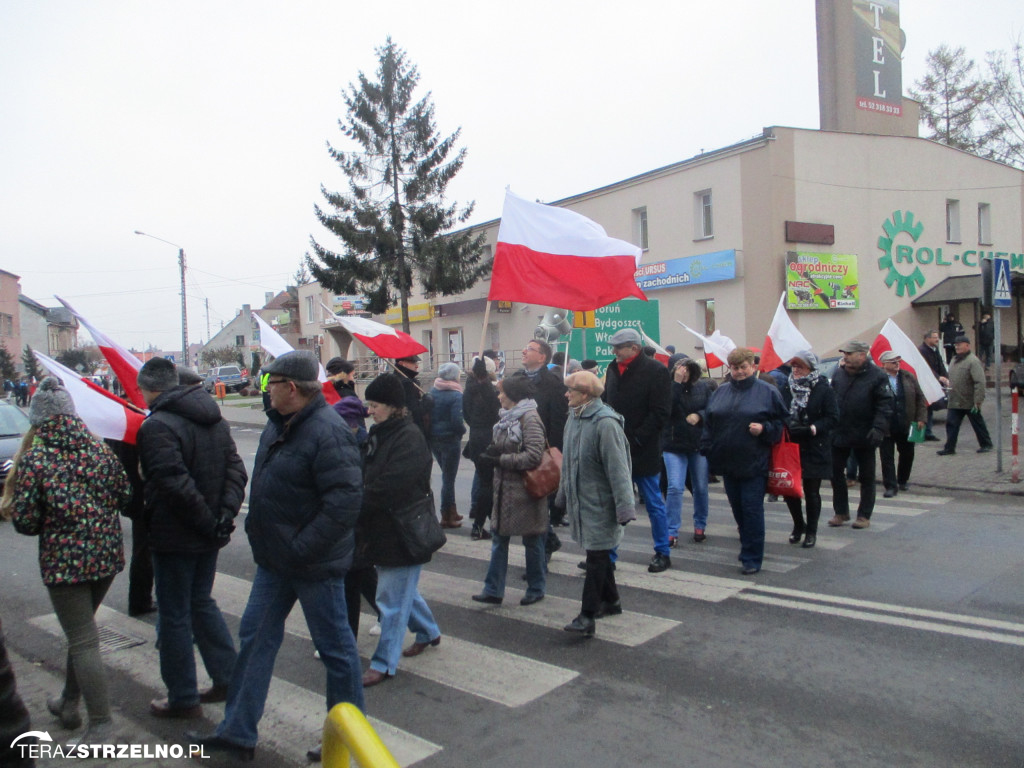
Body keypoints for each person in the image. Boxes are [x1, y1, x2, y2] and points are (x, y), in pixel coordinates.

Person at [191, 351, 364, 762]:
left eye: (270, 384)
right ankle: (237, 733)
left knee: (337, 651)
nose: (264, 390)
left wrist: (302, 548)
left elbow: (345, 502)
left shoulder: (328, 431)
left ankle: (346, 740)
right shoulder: (277, 425)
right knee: (254, 639)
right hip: (276, 560)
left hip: (312, 563)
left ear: (292, 388)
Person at [2, 377, 130, 744]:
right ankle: (69, 703)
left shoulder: (37, 459)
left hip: (65, 564)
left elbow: (24, 522)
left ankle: (103, 724)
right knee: (83, 634)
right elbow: (124, 495)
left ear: (39, 420)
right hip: (106, 557)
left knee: (83, 640)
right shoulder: (98, 450)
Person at [134, 357, 247, 720]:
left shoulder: (157, 427)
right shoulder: (214, 419)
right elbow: (236, 471)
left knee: (175, 615)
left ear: (151, 388)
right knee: (200, 603)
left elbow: (172, 484)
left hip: (177, 535)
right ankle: (228, 676)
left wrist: (209, 521)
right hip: (207, 531)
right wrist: (223, 516)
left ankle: (182, 695)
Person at [358, 373, 442, 687]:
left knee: (391, 601)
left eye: (375, 404)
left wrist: (359, 501)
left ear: (394, 406)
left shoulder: (408, 437)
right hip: (384, 528)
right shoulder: (380, 432)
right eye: (369, 404)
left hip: (403, 530)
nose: (370, 410)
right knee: (402, 590)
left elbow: (393, 484)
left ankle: (383, 663)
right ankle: (429, 632)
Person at [557, 371, 636, 638]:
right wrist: (562, 497)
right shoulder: (574, 419)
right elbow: (568, 463)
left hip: (602, 505)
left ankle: (587, 615)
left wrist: (625, 507)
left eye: (571, 391)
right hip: (583, 501)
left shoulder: (605, 424)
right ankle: (611, 601)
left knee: (596, 557)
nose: (566, 394)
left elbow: (619, 470)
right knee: (598, 554)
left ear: (586, 395)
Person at [701, 348, 786, 575]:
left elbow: (782, 425)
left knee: (751, 510)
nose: (739, 372)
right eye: (735, 368)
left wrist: (765, 429)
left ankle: (752, 557)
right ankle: (747, 545)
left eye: (743, 367)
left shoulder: (767, 392)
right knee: (738, 509)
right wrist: (707, 447)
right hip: (727, 462)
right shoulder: (721, 391)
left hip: (754, 461)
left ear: (753, 367)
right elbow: (709, 422)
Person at [472, 375, 548, 607]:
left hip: (526, 491)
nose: (498, 396)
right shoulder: (506, 418)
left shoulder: (530, 418)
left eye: (502, 392)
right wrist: (492, 452)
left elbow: (534, 456)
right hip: (504, 490)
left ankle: (536, 588)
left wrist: (501, 459)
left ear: (513, 395)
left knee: (532, 541)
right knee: (499, 539)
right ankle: (493, 589)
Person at [602, 327, 673, 573]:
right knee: (613, 503)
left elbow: (661, 412)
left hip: (643, 449)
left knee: (653, 502)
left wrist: (637, 439)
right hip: (616, 448)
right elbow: (607, 403)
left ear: (634, 348)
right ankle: (608, 554)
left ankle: (662, 552)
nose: (615, 352)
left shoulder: (656, 371)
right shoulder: (612, 369)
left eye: (618, 348)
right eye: (613, 347)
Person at [828, 340, 894, 530]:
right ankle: (841, 512)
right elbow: (833, 400)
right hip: (840, 432)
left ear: (862, 355)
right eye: (845, 354)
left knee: (867, 476)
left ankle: (864, 515)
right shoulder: (839, 374)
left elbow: (885, 405)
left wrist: (879, 428)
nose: (845, 357)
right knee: (835, 473)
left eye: (849, 354)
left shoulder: (877, 376)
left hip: (866, 433)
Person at [779, 351, 839, 548]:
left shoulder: (822, 388)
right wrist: (788, 424)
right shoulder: (787, 386)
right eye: (793, 366)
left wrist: (813, 428)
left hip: (815, 445)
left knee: (812, 491)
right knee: (790, 490)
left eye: (800, 367)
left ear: (811, 369)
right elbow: (779, 410)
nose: (795, 370)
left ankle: (811, 531)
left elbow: (832, 417)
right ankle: (798, 525)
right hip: (792, 445)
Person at [512, 338, 568, 542]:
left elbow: (558, 421)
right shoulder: (516, 379)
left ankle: (542, 549)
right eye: (525, 348)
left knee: (539, 500)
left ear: (542, 357)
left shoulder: (553, 384)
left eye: (530, 349)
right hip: (517, 447)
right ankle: (549, 540)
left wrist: (552, 451)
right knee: (527, 502)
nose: (524, 351)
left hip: (540, 451)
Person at [662, 358, 711, 546]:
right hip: (673, 444)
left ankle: (700, 525)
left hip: (697, 443)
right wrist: (675, 383)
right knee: (674, 486)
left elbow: (711, 408)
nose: (684, 373)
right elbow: (666, 408)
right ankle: (671, 530)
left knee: (700, 487)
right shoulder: (668, 386)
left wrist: (699, 416)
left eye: (687, 370)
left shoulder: (702, 387)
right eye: (680, 370)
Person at [877, 350, 927, 497]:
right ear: (884, 364)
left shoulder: (908, 376)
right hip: (886, 425)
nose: (896, 364)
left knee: (907, 454)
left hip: (906, 422)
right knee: (887, 458)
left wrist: (921, 418)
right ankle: (890, 486)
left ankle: (902, 480)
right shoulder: (878, 379)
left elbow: (920, 398)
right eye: (893, 362)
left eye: (898, 361)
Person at [463, 355, 500, 540]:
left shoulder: (468, 390)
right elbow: (496, 410)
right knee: (488, 484)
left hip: (476, 436)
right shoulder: (488, 390)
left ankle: (480, 524)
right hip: (488, 437)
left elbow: (467, 415)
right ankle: (480, 525)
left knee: (485, 482)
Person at [938, 336, 993, 456]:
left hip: (969, 401)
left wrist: (978, 401)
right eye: (956, 345)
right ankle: (949, 448)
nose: (957, 346)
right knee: (951, 424)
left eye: (960, 344)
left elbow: (980, 382)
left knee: (977, 424)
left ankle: (986, 444)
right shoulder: (954, 360)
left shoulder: (973, 361)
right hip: (955, 400)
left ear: (967, 346)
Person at [429, 362, 466, 528]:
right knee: (449, 478)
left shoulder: (433, 391)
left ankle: (452, 510)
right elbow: (457, 421)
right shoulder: (456, 395)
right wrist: (461, 432)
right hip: (450, 438)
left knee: (446, 474)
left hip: (434, 437)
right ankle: (446, 515)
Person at [918, 330, 949, 441]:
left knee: (930, 407)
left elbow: (940, 365)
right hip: (924, 383)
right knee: (924, 408)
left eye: (937, 337)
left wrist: (946, 377)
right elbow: (924, 368)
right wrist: (938, 377)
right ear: (927, 338)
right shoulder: (921, 351)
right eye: (934, 337)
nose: (937, 339)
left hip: (933, 383)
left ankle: (928, 432)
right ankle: (921, 433)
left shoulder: (935, 350)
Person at [393, 355, 432, 441]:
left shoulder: (400, 380)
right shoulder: (406, 384)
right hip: (411, 433)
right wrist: (426, 403)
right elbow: (414, 412)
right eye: (413, 362)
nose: (417, 365)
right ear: (401, 363)